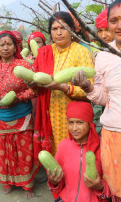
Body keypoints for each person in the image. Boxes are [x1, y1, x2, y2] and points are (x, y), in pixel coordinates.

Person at [71, 0, 121, 201]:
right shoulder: (103, 56)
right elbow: (103, 97)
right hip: (113, 136)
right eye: (114, 20)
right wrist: (87, 87)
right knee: (117, 191)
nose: (119, 25)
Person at [31, 11, 94, 156]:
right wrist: (31, 83)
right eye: (54, 29)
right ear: (50, 32)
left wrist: (62, 87)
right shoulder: (44, 53)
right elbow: (35, 90)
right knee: (53, 157)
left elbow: (89, 90)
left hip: (74, 118)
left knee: (74, 157)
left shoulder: (82, 52)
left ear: (72, 30)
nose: (59, 32)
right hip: (49, 115)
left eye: (63, 28)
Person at [0, 31, 37, 198]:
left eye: (9, 44)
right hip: (0, 116)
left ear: (15, 46)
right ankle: (7, 183)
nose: (5, 47)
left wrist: (19, 98)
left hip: (21, 114)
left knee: (23, 151)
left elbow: (34, 89)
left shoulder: (24, 65)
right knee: (3, 152)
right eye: (2, 45)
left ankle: (27, 185)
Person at [47, 101, 111, 202]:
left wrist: (100, 187)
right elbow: (58, 183)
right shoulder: (63, 146)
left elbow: (112, 185)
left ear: (90, 124)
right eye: (71, 122)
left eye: (80, 122)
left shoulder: (102, 148)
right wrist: (53, 182)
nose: (74, 128)